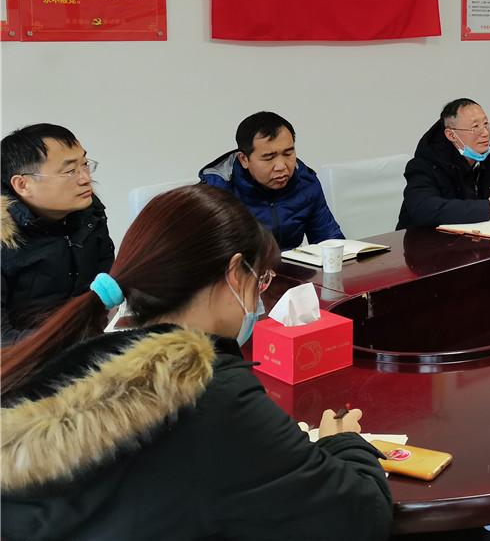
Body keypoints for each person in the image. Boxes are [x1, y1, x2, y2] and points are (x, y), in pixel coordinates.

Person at [0, 185, 392, 540]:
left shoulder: (75, 363)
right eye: (261, 280)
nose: (258, 298)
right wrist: (343, 442)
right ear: (236, 274)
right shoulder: (210, 394)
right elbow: (358, 516)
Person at [1, 124, 114, 344]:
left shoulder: (89, 214)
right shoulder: (4, 238)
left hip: (86, 342)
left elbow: (106, 279)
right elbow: (3, 341)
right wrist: (73, 344)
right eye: (70, 171)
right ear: (22, 184)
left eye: (85, 164)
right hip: (28, 356)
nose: (85, 178)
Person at [199, 111, 343, 250]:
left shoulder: (306, 182)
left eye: (288, 153)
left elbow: (330, 241)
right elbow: (209, 256)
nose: (281, 166)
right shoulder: (217, 192)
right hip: (243, 266)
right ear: (244, 160)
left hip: (291, 265)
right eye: (269, 158)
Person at [396, 98, 490, 230]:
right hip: (427, 245)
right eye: (475, 127)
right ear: (451, 135)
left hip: (477, 241)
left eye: (486, 124)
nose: (485, 133)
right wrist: (488, 207)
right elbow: (423, 209)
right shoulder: (425, 165)